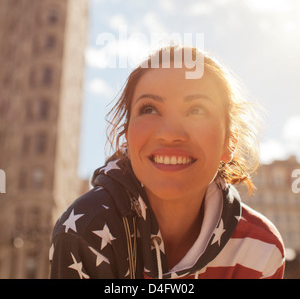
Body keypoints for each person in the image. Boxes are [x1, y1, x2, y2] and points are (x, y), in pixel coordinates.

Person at [49, 45, 285, 279]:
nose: (170, 133)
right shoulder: (84, 230)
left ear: (229, 142)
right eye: (150, 109)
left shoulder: (261, 249)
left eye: (197, 110)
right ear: (127, 137)